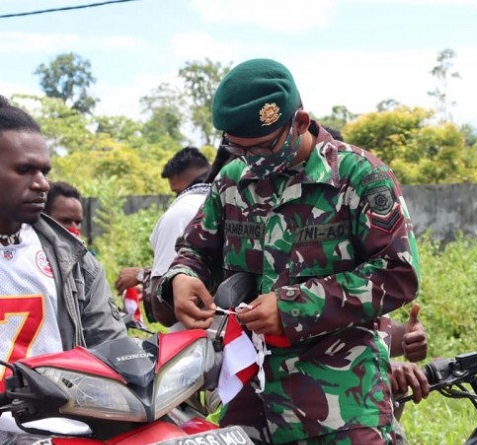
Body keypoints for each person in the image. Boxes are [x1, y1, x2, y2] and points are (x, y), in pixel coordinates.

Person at [157, 58, 419, 445]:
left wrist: (292, 307)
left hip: (340, 399)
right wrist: (183, 277)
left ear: (299, 122)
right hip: (250, 390)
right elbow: (196, 250)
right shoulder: (232, 183)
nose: (252, 160)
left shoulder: (359, 176)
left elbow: (397, 275)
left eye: (263, 147)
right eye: (238, 148)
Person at [0, 96, 126, 434]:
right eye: (25, 170)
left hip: (64, 431)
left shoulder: (74, 260)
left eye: (44, 171)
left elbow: (109, 344)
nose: (41, 182)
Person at [114, 147, 210, 324]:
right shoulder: (237, 204)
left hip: (201, 343)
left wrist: (146, 278)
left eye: (175, 192)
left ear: (179, 185)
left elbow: (165, 310)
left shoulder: (182, 212)